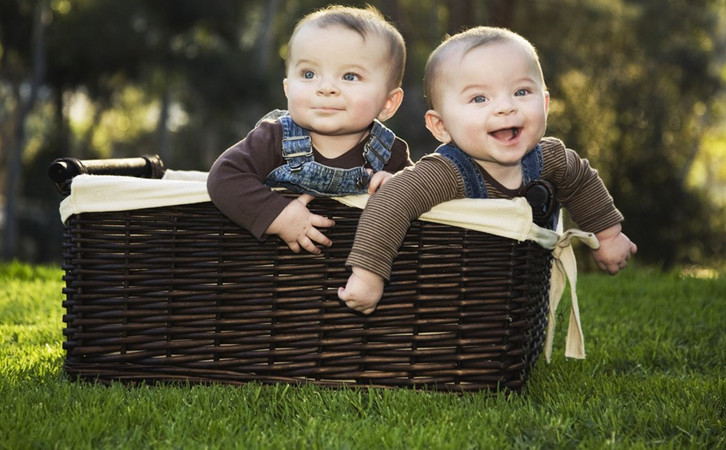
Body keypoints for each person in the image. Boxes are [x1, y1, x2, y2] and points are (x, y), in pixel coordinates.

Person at [338, 26, 638, 314]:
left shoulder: (551, 158)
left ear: (545, 105)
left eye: (521, 92)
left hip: (517, 297)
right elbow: (391, 200)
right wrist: (368, 274)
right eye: (479, 98)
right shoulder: (445, 172)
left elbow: (581, 180)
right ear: (440, 126)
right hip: (451, 291)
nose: (505, 107)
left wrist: (608, 236)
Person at [207, 5, 412, 255]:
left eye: (349, 76)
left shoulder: (390, 154)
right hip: (269, 272)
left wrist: (401, 188)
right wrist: (279, 215)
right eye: (309, 73)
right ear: (287, 89)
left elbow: (428, 201)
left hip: (349, 274)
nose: (326, 87)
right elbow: (225, 176)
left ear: (388, 103)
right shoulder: (275, 137)